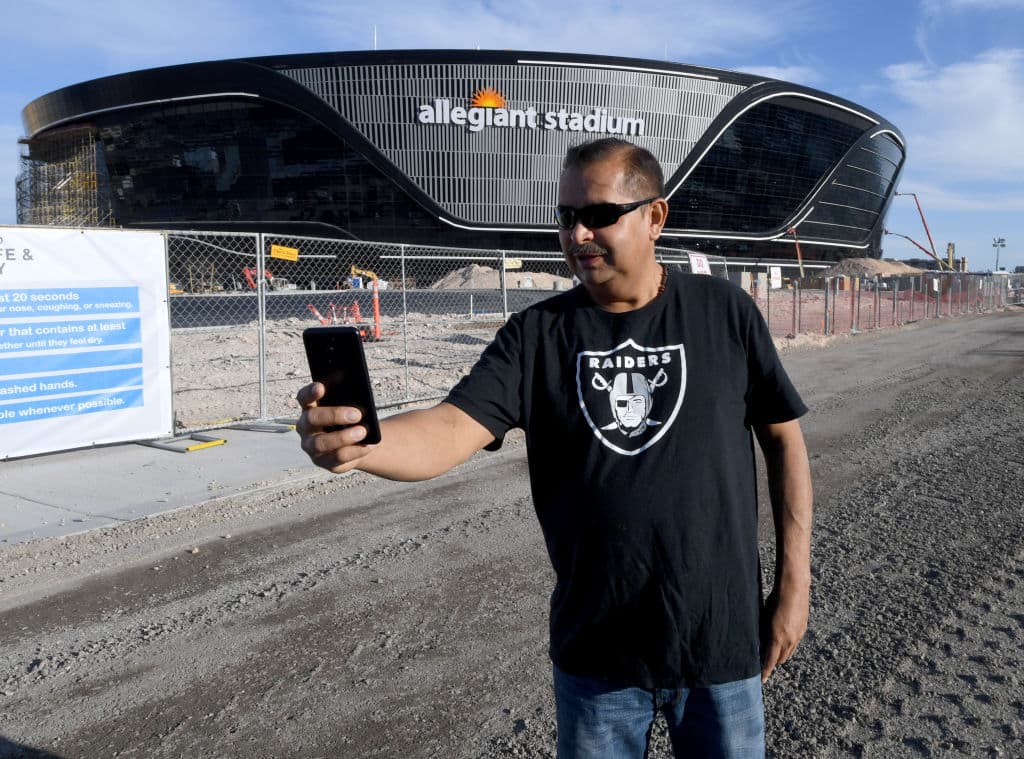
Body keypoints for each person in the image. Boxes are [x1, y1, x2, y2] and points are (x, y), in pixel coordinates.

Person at [297, 137, 813, 758]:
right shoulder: (537, 336)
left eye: (598, 215)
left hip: (720, 644)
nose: (577, 235)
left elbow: (784, 440)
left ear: (655, 216)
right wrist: (362, 445)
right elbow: (449, 429)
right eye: (566, 218)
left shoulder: (724, 313)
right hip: (597, 657)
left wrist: (793, 585)